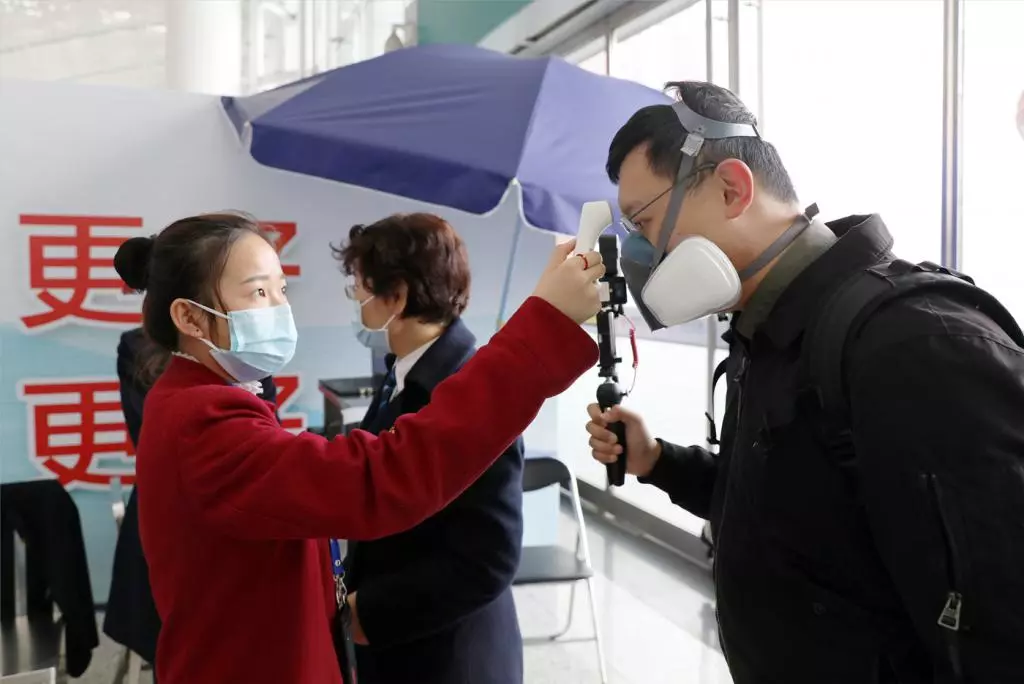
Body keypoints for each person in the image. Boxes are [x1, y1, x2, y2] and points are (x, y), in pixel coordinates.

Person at [585, 81, 1024, 683]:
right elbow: (787, 514)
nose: (640, 252)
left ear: (732, 188)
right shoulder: (765, 331)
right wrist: (658, 461)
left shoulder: (913, 344)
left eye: (645, 221)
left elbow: (997, 626)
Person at [111, 211, 604, 684]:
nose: (280, 309)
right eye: (259, 292)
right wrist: (542, 332)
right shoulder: (204, 420)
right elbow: (383, 476)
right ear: (190, 318)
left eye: (281, 290)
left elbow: (482, 553)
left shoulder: (200, 402)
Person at [335, 212, 525, 684]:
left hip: (447, 655)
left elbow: (487, 560)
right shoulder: (406, 369)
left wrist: (369, 612)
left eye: (360, 287)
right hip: (404, 645)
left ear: (396, 296)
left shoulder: (469, 391)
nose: (355, 299)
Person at [102, 328, 279, 677]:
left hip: (242, 530)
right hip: (174, 527)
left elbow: (268, 434)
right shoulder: (138, 349)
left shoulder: (251, 350)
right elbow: (159, 437)